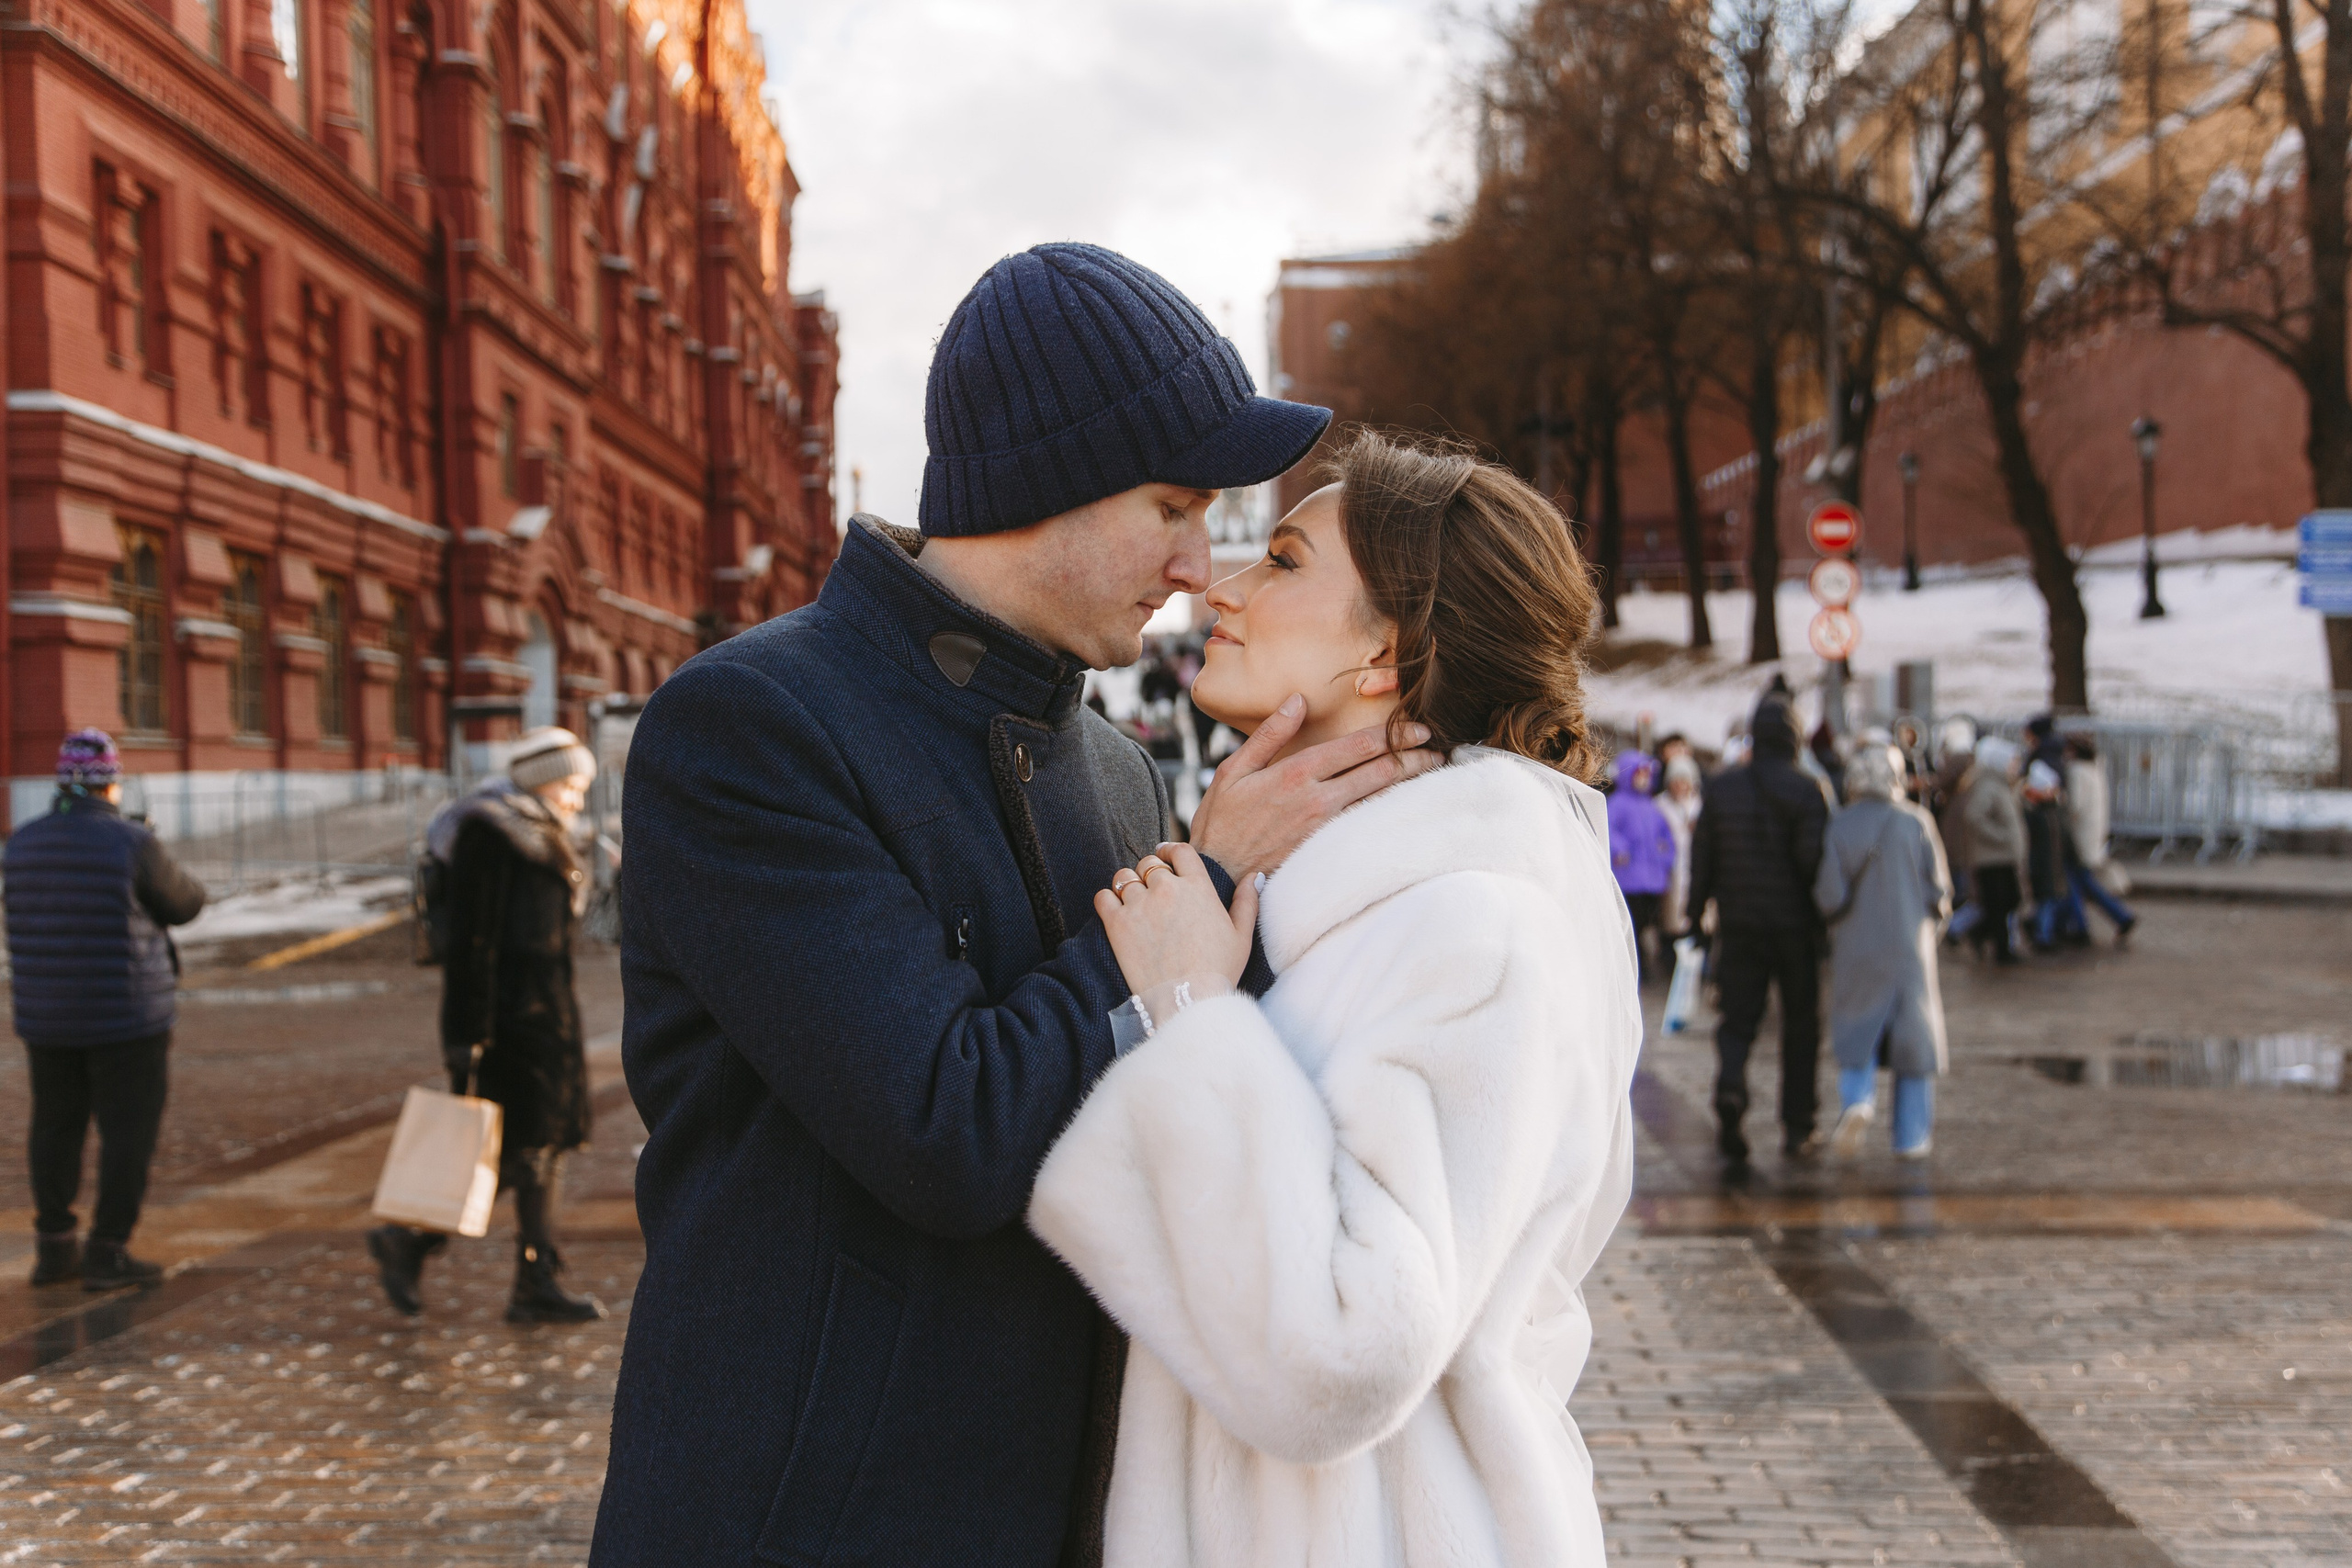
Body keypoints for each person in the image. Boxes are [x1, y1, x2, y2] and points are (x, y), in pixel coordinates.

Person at [590, 244, 1435, 1567]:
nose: (1194, 563)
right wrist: (1198, 880)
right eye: (1171, 504)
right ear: (1050, 475)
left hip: (1067, 1511)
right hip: (807, 1518)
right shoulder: (752, 725)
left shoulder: (1115, 765)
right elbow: (947, 1125)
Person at [1028, 430, 1641, 1568]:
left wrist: (1186, 1008)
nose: (1222, 584)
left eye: (1286, 560)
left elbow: (1340, 1355)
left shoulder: (1475, 932)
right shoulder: (1353, 906)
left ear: (1388, 654)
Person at [368, 728, 605, 1324]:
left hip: (546, 1014)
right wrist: (466, 1033)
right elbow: (473, 944)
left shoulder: (545, 832)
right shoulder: (491, 833)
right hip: (508, 1021)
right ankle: (421, 1240)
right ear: (540, 779)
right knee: (515, 1149)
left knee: (539, 1149)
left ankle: (526, 1273)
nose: (577, 798)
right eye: (571, 784)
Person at [2, 730, 206, 1290]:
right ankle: (108, 1251)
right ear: (110, 784)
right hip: (127, 1018)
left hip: (47, 1017)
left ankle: (54, 1247)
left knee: (55, 1126)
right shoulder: (131, 844)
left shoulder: (20, 843)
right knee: (127, 1134)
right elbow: (185, 903)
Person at [1686, 694, 1833, 1167]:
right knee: (1800, 1026)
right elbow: (1815, 865)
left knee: (1737, 1020)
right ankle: (1797, 1124)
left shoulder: (1722, 788)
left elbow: (1702, 858)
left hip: (1740, 923)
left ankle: (1731, 1087)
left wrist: (1695, 916)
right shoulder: (1808, 791)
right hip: (1795, 930)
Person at [1816, 745, 1952, 1162]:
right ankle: (1911, 1138)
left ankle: (1858, 1102)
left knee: (1858, 1031)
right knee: (1914, 1045)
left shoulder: (1840, 826)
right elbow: (1941, 894)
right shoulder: (1918, 821)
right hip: (1911, 950)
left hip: (1858, 949)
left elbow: (1829, 896)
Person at [2063, 732, 2138, 944]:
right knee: (2081, 881)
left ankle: (2085, 924)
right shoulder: (2095, 769)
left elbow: (2074, 806)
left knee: (2077, 881)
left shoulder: (2077, 772)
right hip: (2092, 833)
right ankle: (2116, 916)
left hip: (2079, 836)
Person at [1607, 750, 1676, 982]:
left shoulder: (1651, 806)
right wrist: (1619, 850)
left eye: (1647, 774)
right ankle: (1636, 966)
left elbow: (1666, 837)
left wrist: (1665, 857)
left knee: (1647, 922)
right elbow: (1608, 830)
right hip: (1628, 877)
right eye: (1640, 773)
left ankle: (1645, 963)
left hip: (1651, 878)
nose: (1644, 778)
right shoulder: (1617, 804)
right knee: (1632, 923)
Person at [1962, 737, 2029, 964]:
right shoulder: (1988, 786)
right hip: (1991, 857)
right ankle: (2001, 950)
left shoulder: (2001, 785)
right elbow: (1974, 816)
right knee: (1999, 904)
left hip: (2002, 856)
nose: (2015, 766)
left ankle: (1981, 934)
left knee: (2010, 900)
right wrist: (2000, 838)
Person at [1658, 752, 1703, 937]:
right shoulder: (1661, 805)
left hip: (1694, 862)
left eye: (1684, 780)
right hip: (1671, 866)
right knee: (1672, 913)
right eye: (1676, 781)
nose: (1680, 786)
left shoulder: (1699, 805)